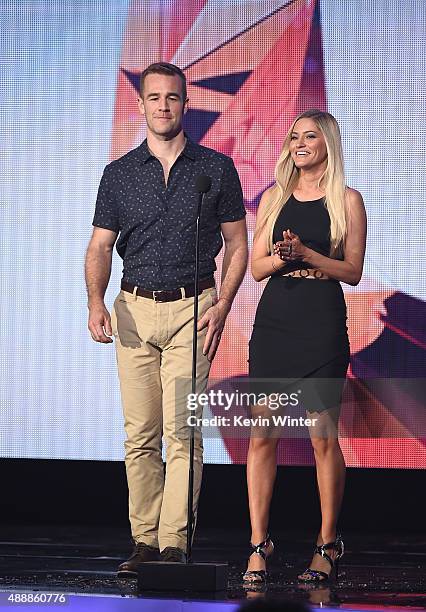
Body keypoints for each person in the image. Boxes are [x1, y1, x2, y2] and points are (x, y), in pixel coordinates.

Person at [84, 62, 247, 573]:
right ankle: (144, 541)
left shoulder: (215, 167)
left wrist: (222, 304)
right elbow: (100, 247)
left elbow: (238, 243)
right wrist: (95, 301)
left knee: (183, 432)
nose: (163, 106)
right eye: (154, 98)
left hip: (192, 310)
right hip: (132, 311)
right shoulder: (118, 174)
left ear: (185, 104)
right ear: (142, 105)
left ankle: (174, 541)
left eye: (172, 98)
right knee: (140, 434)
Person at [243, 109, 366, 584]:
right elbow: (255, 268)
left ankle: (328, 542)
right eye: (294, 135)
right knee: (261, 435)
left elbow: (352, 271)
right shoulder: (274, 198)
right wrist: (283, 255)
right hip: (276, 324)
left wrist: (310, 254)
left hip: (321, 325)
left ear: (327, 143)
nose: (298, 143)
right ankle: (258, 545)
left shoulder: (347, 201)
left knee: (321, 437)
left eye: (309, 136)